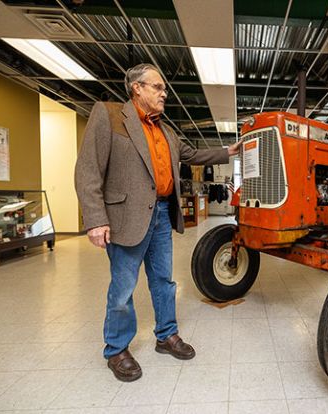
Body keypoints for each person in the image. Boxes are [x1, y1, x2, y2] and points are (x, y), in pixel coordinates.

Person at [75, 63, 241, 382]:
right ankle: (116, 349)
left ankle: (166, 336)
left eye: (163, 88)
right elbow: (88, 169)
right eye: (158, 87)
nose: (164, 93)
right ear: (136, 88)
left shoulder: (166, 130)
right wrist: (95, 218)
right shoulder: (109, 115)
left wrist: (228, 151)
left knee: (164, 281)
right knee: (123, 286)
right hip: (126, 216)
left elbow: (191, 155)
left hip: (162, 214)